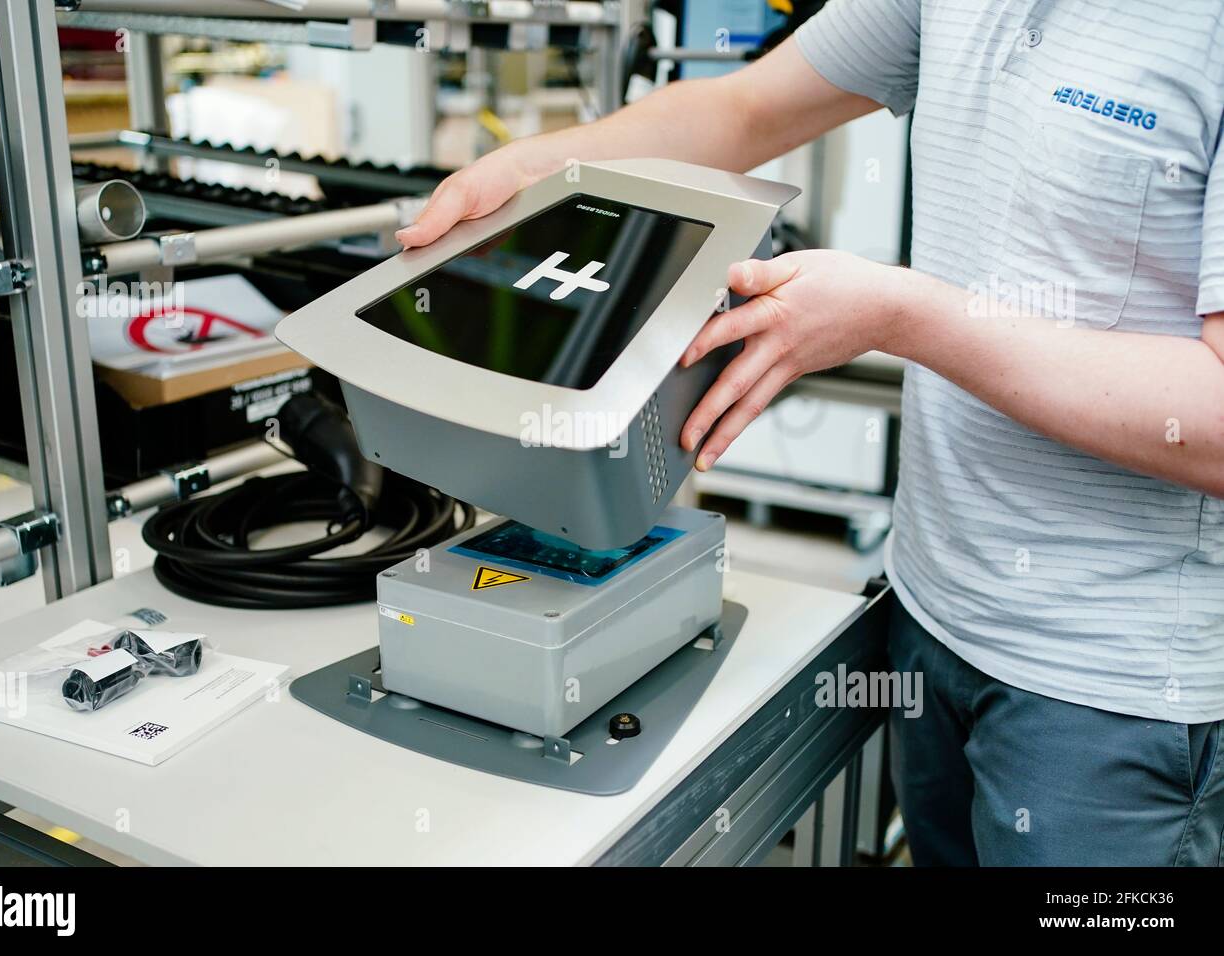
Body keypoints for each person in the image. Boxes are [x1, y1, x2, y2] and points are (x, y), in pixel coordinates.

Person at [397, 0, 1224, 866]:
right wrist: (534, 171)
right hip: (930, 615)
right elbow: (746, 109)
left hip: (1112, 697)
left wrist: (897, 313)